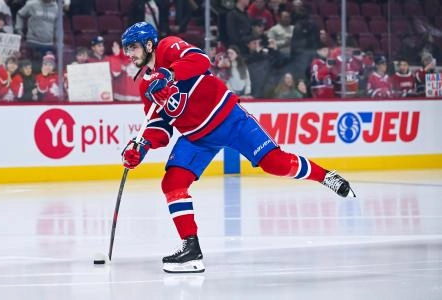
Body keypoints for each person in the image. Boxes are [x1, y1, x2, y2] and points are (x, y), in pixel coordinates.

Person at [119, 22, 356, 274]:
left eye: (133, 47)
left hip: (229, 118)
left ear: (148, 44)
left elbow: (200, 60)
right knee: (173, 183)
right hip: (197, 138)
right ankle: (191, 249)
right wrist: (142, 145)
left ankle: (325, 176)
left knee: (276, 163)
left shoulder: (168, 47)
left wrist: (170, 74)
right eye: (127, 49)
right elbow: (159, 125)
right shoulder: (145, 86)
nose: (129, 54)